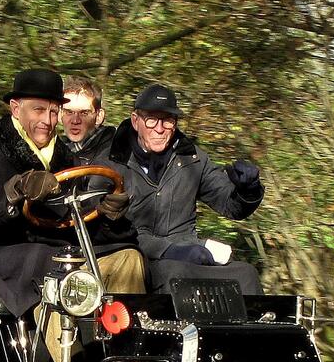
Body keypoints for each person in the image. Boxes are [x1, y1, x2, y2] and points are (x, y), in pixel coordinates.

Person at [0, 68, 145, 321]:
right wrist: (13, 192)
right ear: (15, 108)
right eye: (39, 110)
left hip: (52, 249)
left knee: (128, 257)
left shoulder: (67, 159)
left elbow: (75, 219)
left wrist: (108, 215)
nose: (48, 120)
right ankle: (68, 357)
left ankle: (125, 350)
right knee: (60, 266)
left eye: (54, 112)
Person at [95, 83, 264, 295]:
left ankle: (254, 328)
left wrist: (248, 189)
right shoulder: (109, 164)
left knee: (246, 274)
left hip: (189, 253)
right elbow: (99, 226)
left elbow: (231, 206)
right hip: (135, 256)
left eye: (167, 120)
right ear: (135, 121)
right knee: (174, 274)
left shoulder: (193, 160)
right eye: (151, 119)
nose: (159, 128)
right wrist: (167, 250)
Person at [57, 75, 115, 166]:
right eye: (69, 112)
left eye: (84, 113)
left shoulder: (116, 156)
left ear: (99, 116)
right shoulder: (56, 154)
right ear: (60, 115)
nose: (75, 121)